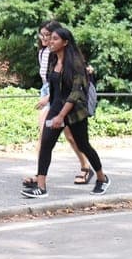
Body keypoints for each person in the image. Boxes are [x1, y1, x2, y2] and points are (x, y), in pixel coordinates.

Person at [22, 26, 110, 198]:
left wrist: (61, 116)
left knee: (83, 145)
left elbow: (76, 93)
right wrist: (51, 107)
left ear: (65, 42)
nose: (50, 41)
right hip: (56, 107)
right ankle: (41, 187)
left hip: (74, 112)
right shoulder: (53, 60)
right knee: (46, 144)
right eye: (50, 38)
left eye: (55, 39)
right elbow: (54, 87)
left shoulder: (77, 63)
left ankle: (101, 178)